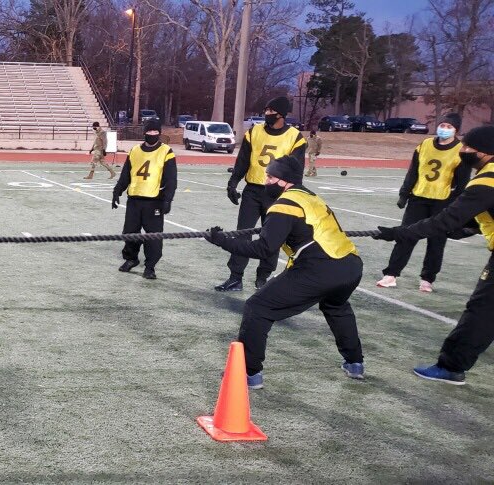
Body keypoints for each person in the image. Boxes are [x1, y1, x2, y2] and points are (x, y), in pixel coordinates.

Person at [205, 154, 365, 389]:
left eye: (270, 176)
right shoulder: (311, 197)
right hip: (350, 266)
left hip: (320, 268)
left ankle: (249, 373)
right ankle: (355, 363)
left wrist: (221, 240)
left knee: (257, 307)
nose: (265, 181)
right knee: (336, 306)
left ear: (285, 180)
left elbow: (263, 248)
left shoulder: (284, 204)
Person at [375, 125, 494, 385]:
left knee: (482, 312)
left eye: (468, 148)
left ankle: (451, 367)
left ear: (485, 152)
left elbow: (443, 221)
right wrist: (467, 228)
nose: (462, 151)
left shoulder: (486, 182)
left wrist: (400, 233)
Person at [217, 96, 307, 292]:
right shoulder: (254, 132)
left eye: (270, 111)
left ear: (281, 114)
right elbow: (242, 161)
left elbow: (296, 171)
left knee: (273, 237)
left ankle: (263, 278)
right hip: (253, 191)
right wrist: (233, 183)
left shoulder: (295, 137)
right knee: (243, 234)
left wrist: (293, 195)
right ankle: (235, 277)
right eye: (265, 110)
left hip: (277, 194)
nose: (266, 114)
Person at [376, 113, 468, 293]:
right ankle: (391, 274)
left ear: (456, 130)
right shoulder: (424, 145)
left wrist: (455, 203)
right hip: (418, 199)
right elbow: (413, 172)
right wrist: (404, 194)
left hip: (442, 201)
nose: (445, 129)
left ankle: (427, 278)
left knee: (436, 241)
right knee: (406, 235)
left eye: (449, 127)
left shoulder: (461, 150)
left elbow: (462, 182)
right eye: (443, 125)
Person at [112, 117, 177, 280]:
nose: (152, 134)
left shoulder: (166, 151)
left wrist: (168, 199)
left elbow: (171, 179)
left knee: (153, 236)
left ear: (160, 133)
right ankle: (131, 258)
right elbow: (126, 173)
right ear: (144, 133)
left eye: (155, 132)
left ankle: (150, 267)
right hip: (134, 200)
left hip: (154, 201)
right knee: (129, 233)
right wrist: (117, 191)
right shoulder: (134, 150)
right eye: (149, 131)